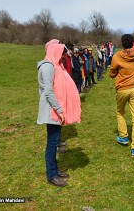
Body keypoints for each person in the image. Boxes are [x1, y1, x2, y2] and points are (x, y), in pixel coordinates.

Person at [37, 39, 81, 187]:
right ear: (56, 52)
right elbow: (48, 91)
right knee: (52, 143)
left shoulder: (54, 66)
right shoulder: (48, 67)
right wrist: (60, 110)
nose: (63, 57)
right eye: (62, 55)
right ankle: (51, 175)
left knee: (54, 142)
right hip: (52, 111)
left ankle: (55, 171)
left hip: (54, 110)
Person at [109, 34, 134, 156]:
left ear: (122, 43)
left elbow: (112, 73)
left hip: (122, 89)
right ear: (133, 43)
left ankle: (124, 137)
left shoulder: (117, 56)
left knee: (120, 112)